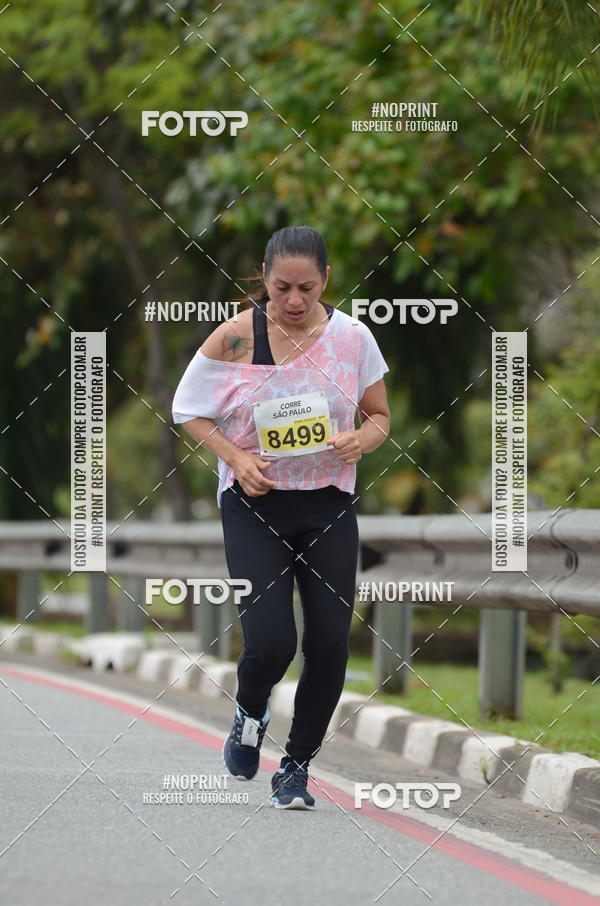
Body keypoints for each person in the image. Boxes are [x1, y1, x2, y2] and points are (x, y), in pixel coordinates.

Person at [172, 225, 390, 810]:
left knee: (330, 644)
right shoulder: (238, 337)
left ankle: (295, 767)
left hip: (327, 504)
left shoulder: (353, 339)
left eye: (307, 289)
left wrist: (360, 442)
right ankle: (248, 714)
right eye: (281, 288)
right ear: (262, 281)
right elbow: (188, 410)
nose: (294, 301)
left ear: (326, 283)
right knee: (270, 643)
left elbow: (379, 415)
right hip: (254, 505)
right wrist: (238, 458)